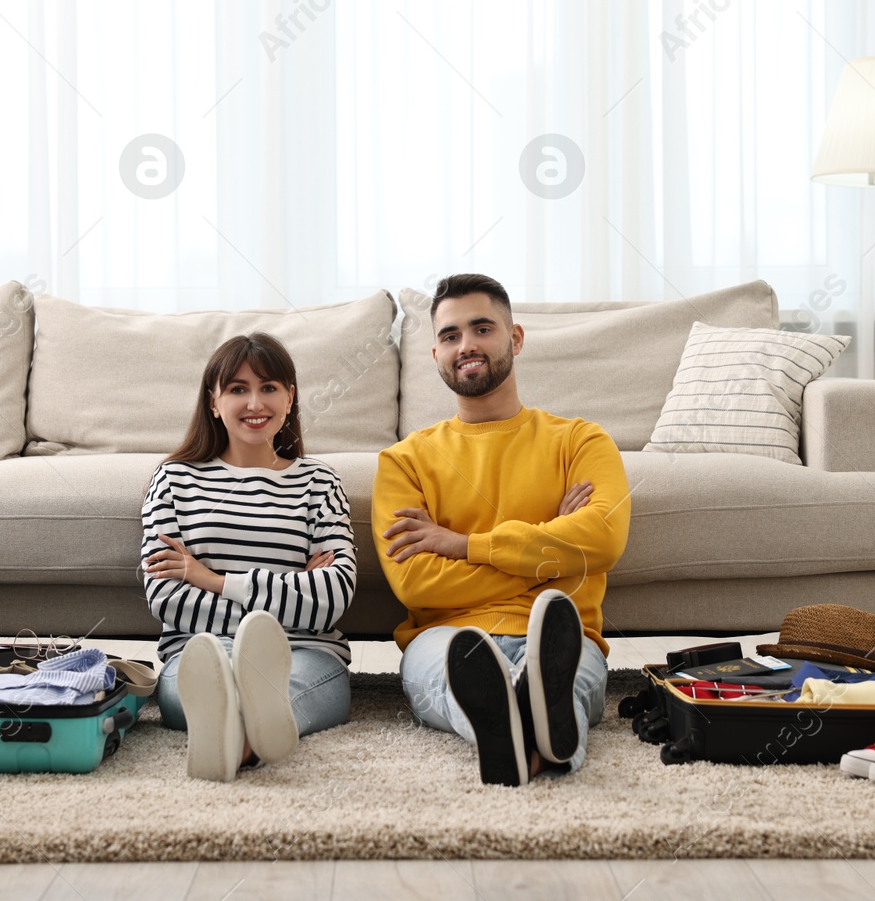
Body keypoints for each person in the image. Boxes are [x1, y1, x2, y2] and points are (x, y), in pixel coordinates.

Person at [374, 273, 631, 785]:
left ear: (514, 338)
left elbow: (602, 540)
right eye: (450, 336)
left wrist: (465, 545)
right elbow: (417, 582)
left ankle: (520, 732)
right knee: (453, 681)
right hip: (447, 636)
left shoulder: (581, 440)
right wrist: (552, 553)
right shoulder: (403, 461)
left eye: (481, 328)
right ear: (436, 356)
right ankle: (538, 744)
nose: (465, 345)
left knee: (566, 684)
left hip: (558, 633)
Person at [140, 333, 358, 782]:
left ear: (290, 397)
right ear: (214, 402)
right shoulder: (174, 480)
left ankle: (234, 741)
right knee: (206, 683)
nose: (255, 402)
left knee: (282, 690)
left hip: (305, 654)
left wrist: (213, 578)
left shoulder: (319, 482)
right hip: (201, 651)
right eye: (237, 389)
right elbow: (165, 597)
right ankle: (247, 739)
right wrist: (292, 594)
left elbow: (334, 596)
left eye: (269, 387)